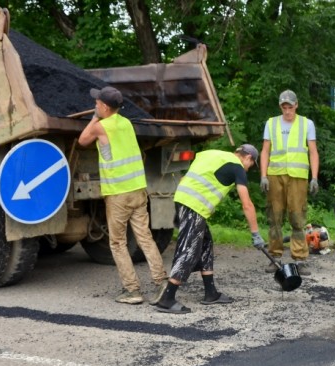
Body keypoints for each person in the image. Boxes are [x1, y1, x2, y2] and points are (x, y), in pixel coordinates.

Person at [78, 86, 169, 305]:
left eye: (97, 103)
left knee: (117, 243)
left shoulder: (101, 126)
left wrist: (93, 118)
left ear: (105, 107)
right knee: (145, 237)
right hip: (138, 189)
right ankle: (161, 282)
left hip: (118, 194)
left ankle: (133, 291)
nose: (95, 105)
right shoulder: (126, 123)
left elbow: (82, 141)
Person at [153, 144, 265, 314]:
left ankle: (210, 293)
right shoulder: (237, 167)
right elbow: (247, 204)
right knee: (189, 250)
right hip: (194, 205)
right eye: (251, 165)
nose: (249, 169)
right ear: (248, 157)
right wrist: (255, 233)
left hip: (183, 199)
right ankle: (167, 299)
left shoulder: (212, 154)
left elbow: (189, 176)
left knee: (205, 243)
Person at [259, 90, 320, 276]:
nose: (287, 111)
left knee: (297, 217)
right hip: (275, 175)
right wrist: (263, 175)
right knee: (274, 217)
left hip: (298, 177)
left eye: (290, 107)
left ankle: (300, 259)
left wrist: (314, 177)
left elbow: (313, 152)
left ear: (296, 105)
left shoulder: (306, 123)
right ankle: (275, 257)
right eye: (284, 107)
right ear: (280, 107)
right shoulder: (271, 123)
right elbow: (265, 151)